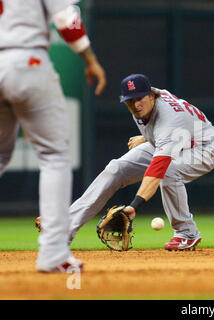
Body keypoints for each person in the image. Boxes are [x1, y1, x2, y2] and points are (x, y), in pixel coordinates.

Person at [37, 74, 214, 250]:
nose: (136, 104)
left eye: (140, 98)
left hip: (203, 148)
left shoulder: (169, 120)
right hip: (174, 140)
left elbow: (156, 170)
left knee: (168, 171)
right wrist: (148, 137)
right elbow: (166, 132)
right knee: (116, 168)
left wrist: (134, 206)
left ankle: (186, 232)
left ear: (151, 95)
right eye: (130, 100)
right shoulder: (149, 102)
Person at [0, 0, 106, 272]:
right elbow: (65, 18)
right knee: (55, 156)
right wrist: (90, 59)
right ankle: (54, 253)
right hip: (26, 60)